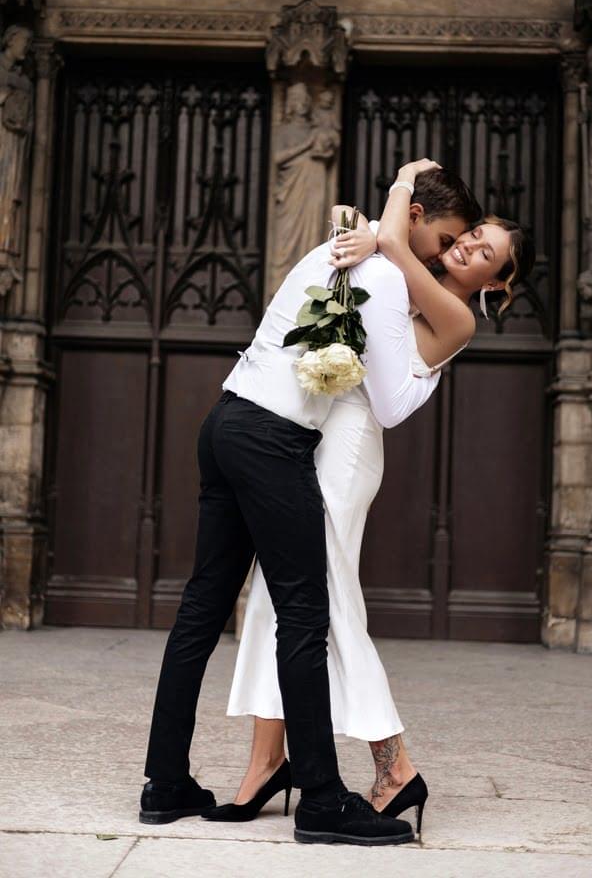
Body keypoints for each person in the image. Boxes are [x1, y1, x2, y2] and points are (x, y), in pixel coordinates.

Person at [140, 161, 478, 846]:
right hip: (272, 440)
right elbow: (386, 396)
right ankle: (321, 798)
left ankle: (164, 784)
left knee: (203, 607)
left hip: (226, 418)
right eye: (445, 239)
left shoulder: (335, 249)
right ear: (414, 217)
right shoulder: (382, 274)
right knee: (304, 612)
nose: (444, 255)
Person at [215, 160, 535, 837]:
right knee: (276, 597)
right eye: (474, 233)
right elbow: (372, 260)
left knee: (324, 605)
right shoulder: (405, 275)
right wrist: (372, 226)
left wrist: (397, 193)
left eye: (487, 253)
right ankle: (266, 762)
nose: (471, 246)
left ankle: (395, 766)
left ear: (498, 286)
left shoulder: (452, 312)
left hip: (348, 453)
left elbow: (386, 391)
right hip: (316, 440)